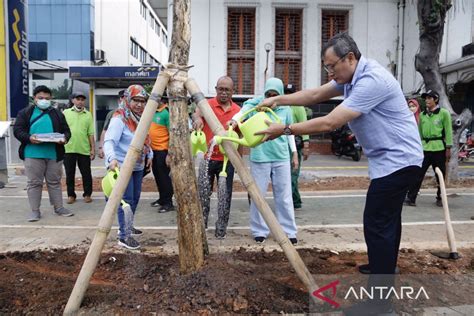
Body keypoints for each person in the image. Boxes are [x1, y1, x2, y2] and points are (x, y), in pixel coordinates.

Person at [256, 33, 423, 282]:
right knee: (387, 221)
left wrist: (285, 130)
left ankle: (380, 302)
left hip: (398, 161)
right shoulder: (351, 77)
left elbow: (330, 121)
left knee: (377, 223)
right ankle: (384, 264)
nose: (329, 73)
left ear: (350, 58)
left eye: (331, 66)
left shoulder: (371, 80)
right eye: (326, 67)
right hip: (392, 160)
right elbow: (314, 96)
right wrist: (277, 100)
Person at [231, 77, 299, 245]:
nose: (271, 97)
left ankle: (288, 231)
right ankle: (259, 230)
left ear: (280, 95)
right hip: (260, 157)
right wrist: (236, 119)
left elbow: (290, 132)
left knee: (284, 196)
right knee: (257, 196)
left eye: (275, 94)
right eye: (268, 94)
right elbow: (243, 110)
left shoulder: (286, 109)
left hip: (281, 157)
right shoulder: (258, 105)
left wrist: (295, 153)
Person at [14, 85, 74, 221]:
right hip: (32, 154)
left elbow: (66, 131)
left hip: (54, 154)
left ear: (51, 98)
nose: (44, 100)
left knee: (54, 182)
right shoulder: (25, 113)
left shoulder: (57, 113)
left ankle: (59, 208)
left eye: (47, 98)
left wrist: (64, 138)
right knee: (34, 183)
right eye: (40, 98)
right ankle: (35, 211)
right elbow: (18, 130)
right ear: (34, 98)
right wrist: (29, 138)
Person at [104, 84, 153, 250]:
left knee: (135, 198)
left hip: (138, 165)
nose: (139, 104)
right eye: (135, 100)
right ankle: (124, 236)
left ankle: (128, 225)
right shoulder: (120, 119)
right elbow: (109, 141)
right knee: (126, 200)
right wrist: (111, 159)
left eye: (142, 101)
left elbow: (145, 139)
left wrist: (150, 155)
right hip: (122, 166)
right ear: (127, 99)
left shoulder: (140, 118)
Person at [192, 76, 241, 239]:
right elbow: (196, 114)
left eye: (227, 89)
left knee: (224, 195)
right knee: (203, 193)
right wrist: (197, 119)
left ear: (233, 91)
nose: (224, 92)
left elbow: (241, 136)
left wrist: (240, 160)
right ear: (216, 89)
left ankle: (221, 229)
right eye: (221, 89)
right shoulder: (207, 105)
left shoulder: (238, 111)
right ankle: (202, 225)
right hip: (208, 158)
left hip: (227, 160)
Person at [405, 90, 452, 207]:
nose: (427, 100)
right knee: (418, 173)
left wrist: (448, 147)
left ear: (435, 99)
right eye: (425, 98)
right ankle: (411, 198)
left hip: (438, 148)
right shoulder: (422, 115)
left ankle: (441, 197)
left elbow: (448, 131)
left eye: (429, 98)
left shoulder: (443, 113)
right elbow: (419, 133)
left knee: (440, 175)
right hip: (425, 148)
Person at [63, 92, 95, 204]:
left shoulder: (88, 114)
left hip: (84, 149)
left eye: (82, 99)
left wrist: (92, 149)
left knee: (86, 174)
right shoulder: (66, 113)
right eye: (78, 99)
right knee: (69, 174)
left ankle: (87, 194)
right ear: (73, 101)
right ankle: (71, 195)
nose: (80, 101)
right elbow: (62, 129)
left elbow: (90, 133)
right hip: (68, 149)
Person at [285, 84, 310, 210]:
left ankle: (295, 201)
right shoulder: (281, 106)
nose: (288, 95)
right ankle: (292, 200)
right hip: (282, 145)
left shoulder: (298, 107)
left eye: (291, 93)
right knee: (285, 175)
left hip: (295, 143)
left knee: (293, 175)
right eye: (286, 93)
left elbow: (305, 126)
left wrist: (306, 145)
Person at [149, 94, 175, 213]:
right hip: (153, 151)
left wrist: (169, 154)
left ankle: (168, 203)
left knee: (165, 178)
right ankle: (162, 199)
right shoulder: (152, 111)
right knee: (158, 176)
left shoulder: (166, 113)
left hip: (162, 151)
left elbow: (172, 134)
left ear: (162, 100)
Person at [98, 90, 126, 159]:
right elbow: (105, 130)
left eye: (126, 97)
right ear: (119, 100)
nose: (124, 100)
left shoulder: (135, 114)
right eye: (122, 98)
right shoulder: (112, 113)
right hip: (116, 152)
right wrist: (101, 147)